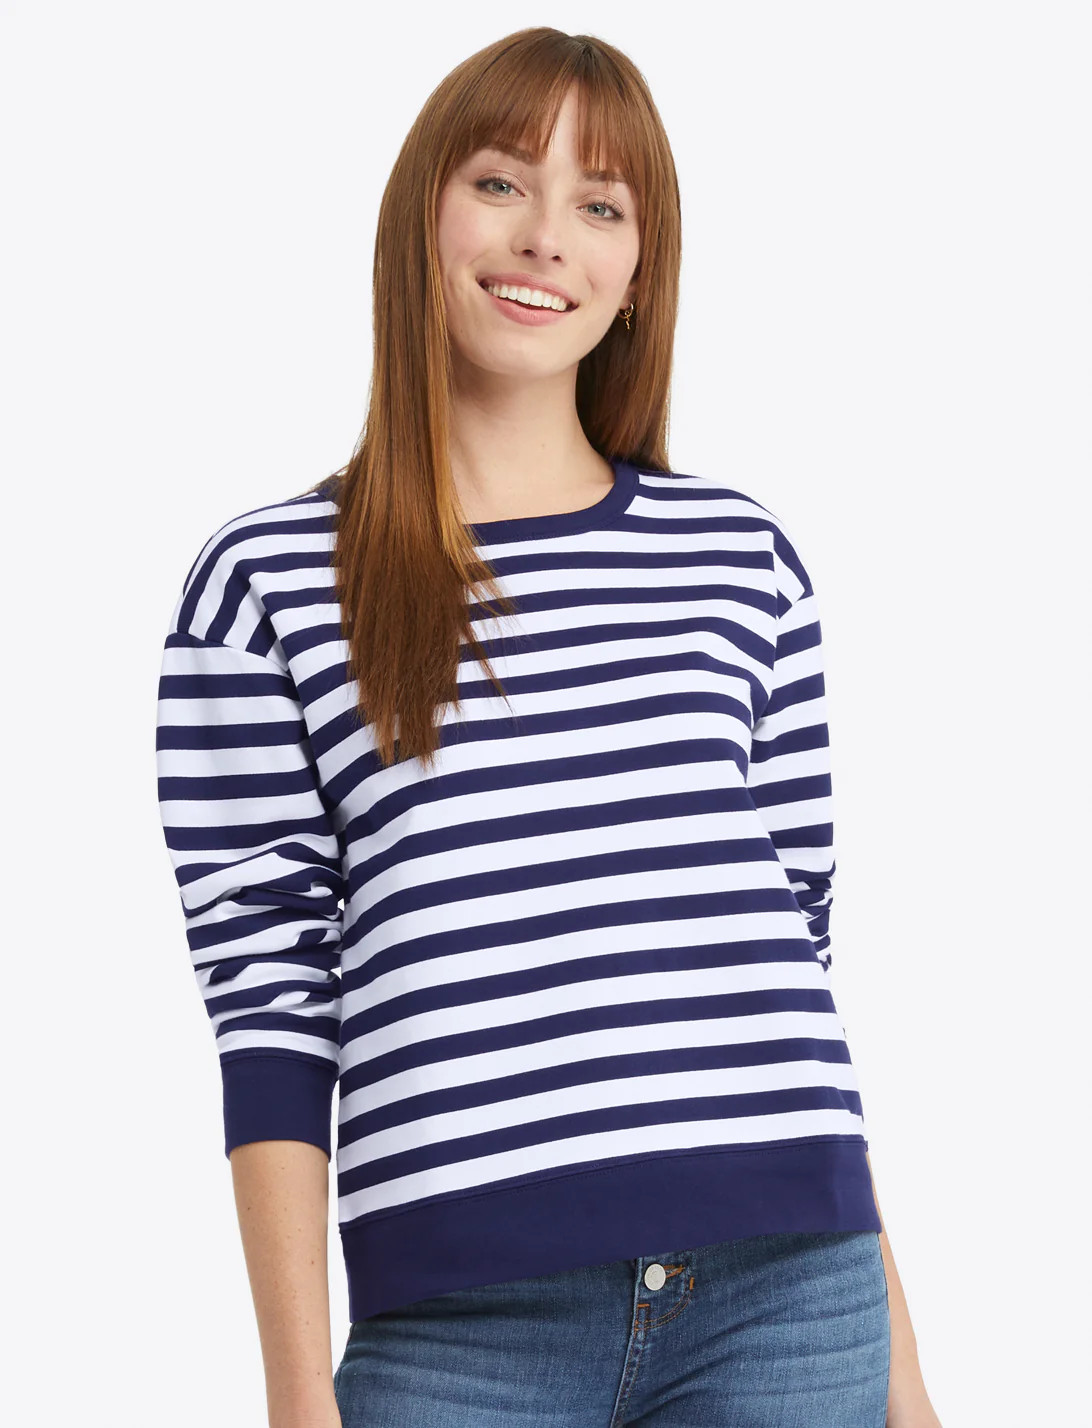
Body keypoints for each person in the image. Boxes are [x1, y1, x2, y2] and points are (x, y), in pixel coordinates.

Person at [155, 26, 941, 1428]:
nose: (547, 239)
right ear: (424, 213)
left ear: (641, 272)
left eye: (601, 204)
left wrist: (906, 1370)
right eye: (503, 182)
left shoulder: (741, 559)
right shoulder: (268, 581)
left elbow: (796, 968)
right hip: (462, 1332)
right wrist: (295, 1395)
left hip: (789, 1294)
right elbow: (269, 1003)